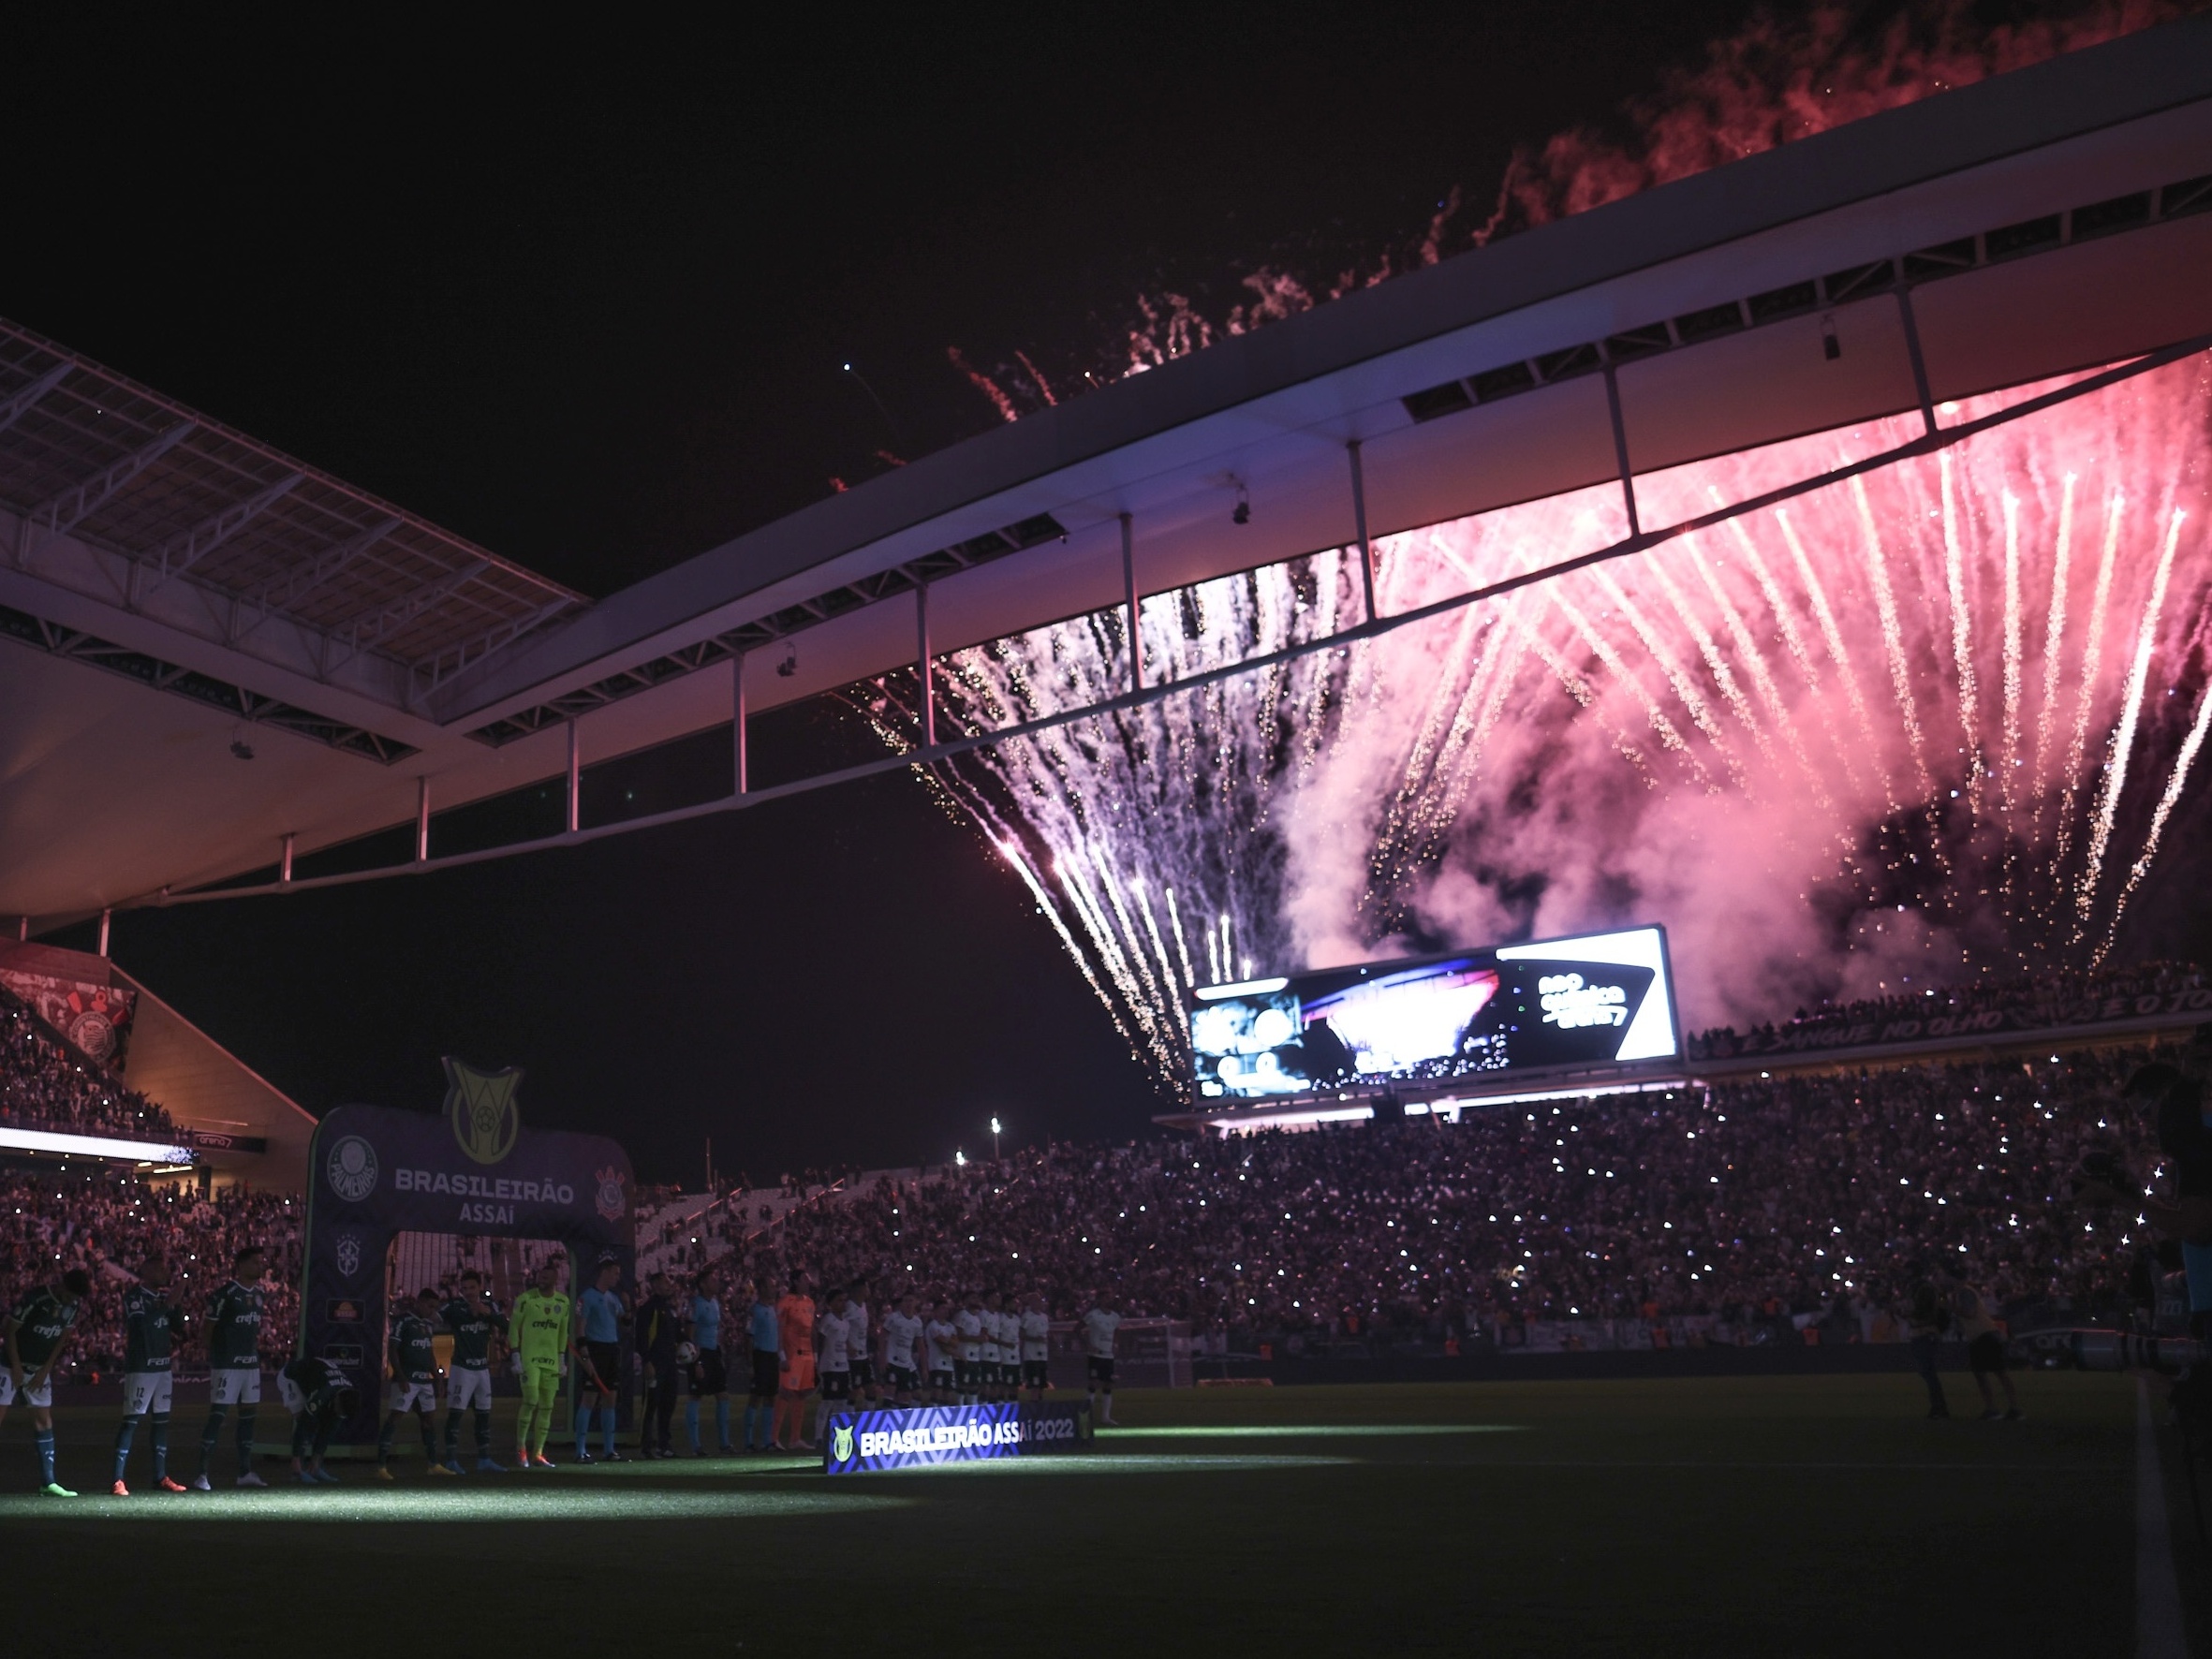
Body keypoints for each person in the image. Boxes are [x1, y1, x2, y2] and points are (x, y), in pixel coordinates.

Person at [1, 1267, 91, 1495]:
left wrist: (46, 1369)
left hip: (38, 1369)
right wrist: (17, 1365)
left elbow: (63, 1337)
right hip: (8, 1367)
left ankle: (48, 1482)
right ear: (62, 1285)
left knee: (44, 1420)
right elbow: (9, 1330)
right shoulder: (36, 1298)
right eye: (70, 1295)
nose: (71, 1301)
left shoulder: (73, 1305)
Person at [194, 1243, 271, 1490]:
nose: (261, 1266)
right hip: (227, 1365)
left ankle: (245, 1472)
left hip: (251, 1366)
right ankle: (202, 1474)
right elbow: (207, 1330)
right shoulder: (224, 1294)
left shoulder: (259, 1295)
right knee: (218, 1417)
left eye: (262, 1262)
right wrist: (216, 1358)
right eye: (256, 1262)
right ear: (241, 1265)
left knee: (248, 1419)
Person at [112, 1256, 186, 1495]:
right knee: (131, 1422)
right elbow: (140, 1325)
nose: (166, 1272)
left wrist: (177, 1306)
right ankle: (117, 1479)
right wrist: (167, 1305)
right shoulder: (135, 1297)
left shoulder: (162, 1299)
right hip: (141, 1367)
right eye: (161, 1267)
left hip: (163, 1368)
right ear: (146, 1270)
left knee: (161, 1423)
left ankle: (160, 1476)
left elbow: (179, 1330)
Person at [438, 1270, 505, 1473]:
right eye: (464, 1288)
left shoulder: (490, 1306)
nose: (468, 1292)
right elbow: (435, 1317)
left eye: (472, 1288)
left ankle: (484, 1459)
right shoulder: (454, 1306)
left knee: (483, 1414)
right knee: (456, 1415)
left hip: (482, 1369)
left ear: (480, 1287)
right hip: (462, 1369)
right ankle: (451, 1460)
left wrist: (488, 1314)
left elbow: (507, 1326)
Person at [377, 1288, 447, 1479]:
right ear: (419, 1302)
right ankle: (381, 1467)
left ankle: (433, 1464)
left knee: (429, 1420)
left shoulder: (427, 1325)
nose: (432, 1311)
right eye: (430, 1306)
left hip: (425, 1381)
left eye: (435, 1308)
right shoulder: (403, 1321)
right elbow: (393, 1350)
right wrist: (400, 1376)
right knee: (395, 1418)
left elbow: (429, 1353)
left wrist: (438, 1378)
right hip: (407, 1380)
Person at [509, 1258, 571, 1469]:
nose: (540, 1280)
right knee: (531, 1400)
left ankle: (538, 1454)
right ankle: (520, 1450)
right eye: (539, 1277)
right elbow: (513, 1328)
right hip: (529, 1358)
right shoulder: (525, 1300)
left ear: (555, 1279)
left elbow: (563, 1332)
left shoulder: (563, 1302)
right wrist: (515, 1355)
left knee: (548, 1406)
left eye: (545, 1277)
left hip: (551, 1360)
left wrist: (562, 1359)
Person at [575, 1255, 627, 1463]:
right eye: (615, 1273)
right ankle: (580, 1451)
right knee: (589, 1399)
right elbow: (579, 1326)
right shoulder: (586, 1297)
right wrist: (585, 1355)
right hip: (595, 1350)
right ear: (604, 1272)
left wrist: (628, 1307)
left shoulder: (614, 1298)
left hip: (612, 1349)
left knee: (610, 1399)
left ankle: (609, 1450)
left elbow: (626, 1322)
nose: (617, 1277)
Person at [1948, 1274, 2021, 1421]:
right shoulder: (1964, 1292)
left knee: (1986, 1374)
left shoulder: (1964, 1292)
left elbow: (1970, 1313)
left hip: (1982, 1335)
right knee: (1996, 1373)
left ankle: (1997, 1409)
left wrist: (1952, 1308)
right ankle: (2011, 1408)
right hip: (1984, 1334)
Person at [277, 1355, 357, 1486]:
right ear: (337, 1399)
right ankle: (297, 1470)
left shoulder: (344, 1393)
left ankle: (315, 1467)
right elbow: (304, 1423)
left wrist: (317, 1458)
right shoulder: (325, 1392)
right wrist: (295, 1457)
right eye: (339, 1409)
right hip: (290, 1378)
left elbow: (329, 1429)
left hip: (312, 1380)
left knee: (330, 1422)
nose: (339, 1414)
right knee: (308, 1423)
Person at [634, 1269, 682, 1460]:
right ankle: (646, 1446)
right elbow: (641, 1338)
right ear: (655, 1286)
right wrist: (647, 1362)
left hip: (670, 1363)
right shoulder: (649, 1308)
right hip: (656, 1363)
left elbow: (676, 1335)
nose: (669, 1284)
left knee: (668, 1404)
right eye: (665, 1281)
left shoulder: (670, 1308)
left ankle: (664, 1444)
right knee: (651, 1405)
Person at [686, 1264, 732, 1456]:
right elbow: (690, 1334)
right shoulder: (696, 1304)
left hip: (713, 1352)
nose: (717, 1282)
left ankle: (724, 1443)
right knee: (696, 1396)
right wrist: (695, 1362)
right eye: (712, 1279)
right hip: (701, 1353)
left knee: (722, 1396)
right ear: (703, 1285)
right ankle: (696, 1446)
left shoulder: (715, 1302)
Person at [774, 1272, 817, 1451]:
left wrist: (815, 1357)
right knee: (786, 1393)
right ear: (795, 1281)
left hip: (806, 1354)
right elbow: (780, 1330)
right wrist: (782, 1355)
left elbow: (812, 1330)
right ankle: (773, 1438)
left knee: (801, 1394)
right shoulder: (786, 1302)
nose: (808, 1282)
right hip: (792, 1355)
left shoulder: (810, 1303)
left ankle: (795, 1439)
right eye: (804, 1279)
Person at [1904, 1267, 1951, 1420]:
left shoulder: (1923, 1289)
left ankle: (1939, 1407)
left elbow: (1923, 1310)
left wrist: (1908, 1312)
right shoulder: (1923, 1288)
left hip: (1924, 1332)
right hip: (1924, 1332)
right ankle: (1938, 1407)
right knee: (1927, 1372)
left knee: (1928, 1372)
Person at [814, 1285, 854, 1446]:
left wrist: (849, 1349)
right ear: (831, 1303)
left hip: (843, 1366)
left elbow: (843, 1342)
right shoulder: (828, 1320)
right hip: (830, 1366)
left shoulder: (846, 1323)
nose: (843, 1304)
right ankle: (818, 1437)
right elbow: (820, 1340)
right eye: (839, 1301)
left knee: (841, 1402)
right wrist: (818, 1362)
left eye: (844, 1301)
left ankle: (835, 1434)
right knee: (828, 1401)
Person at [745, 1274, 780, 1453]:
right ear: (763, 1289)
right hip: (760, 1356)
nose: (774, 1289)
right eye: (771, 1285)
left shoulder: (773, 1309)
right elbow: (749, 1338)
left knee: (771, 1398)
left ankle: (768, 1441)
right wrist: (750, 1363)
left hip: (772, 1356)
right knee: (756, 1397)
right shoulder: (755, 1310)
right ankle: (748, 1441)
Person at [1082, 1291, 1121, 1426]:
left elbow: (1117, 1330)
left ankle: (1106, 1417)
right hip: (1095, 1355)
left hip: (1108, 1355)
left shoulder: (1115, 1317)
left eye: (1110, 1298)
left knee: (1108, 1384)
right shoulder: (1093, 1315)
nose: (1108, 1300)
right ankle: (1087, 1416)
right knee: (1093, 1383)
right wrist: (1088, 1344)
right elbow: (1077, 1329)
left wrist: (1116, 1343)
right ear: (1100, 1300)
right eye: (1106, 1298)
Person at [881, 1292, 923, 1407]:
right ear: (902, 1303)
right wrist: (883, 1358)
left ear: (916, 1302)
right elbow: (882, 1337)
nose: (908, 1303)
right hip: (892, 1360)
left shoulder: (917, 1322)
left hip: (907, 1363)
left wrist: (924, 1367)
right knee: (890, 1392)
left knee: (907, 1396)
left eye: (911, 1300)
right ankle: (885, 1420)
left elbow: (920, 1345)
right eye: (906, 1301)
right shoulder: (894, 1318)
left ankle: (908, 1421)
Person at [922, 1298, 957, 1405]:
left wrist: (946, 1340)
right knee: (936, 1392)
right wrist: (958, 1353)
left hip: (949, 1364)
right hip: (936, 1364)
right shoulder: (933, 1325)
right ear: (936, 1311)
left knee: (948, 1394)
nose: (946, 1311)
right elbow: (941, 1344)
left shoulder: (950, 1326)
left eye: (947, 1309)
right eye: (942, 1308)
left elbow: (956, 1343)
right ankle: (932, 1417)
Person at [844, 1285, 874, 1410]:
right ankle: (847, 1420)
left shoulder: (864, 1306)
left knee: (871, 1389)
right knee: (854, 1391)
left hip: (863, 1355)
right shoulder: (849, 1307)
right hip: (853, 1356)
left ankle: (870, 1419)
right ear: (860, 1290)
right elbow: (841, 1325)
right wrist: (848, 1345)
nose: (869, 1290)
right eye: (866, 1287)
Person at [1019, 1290, 1051, 1404]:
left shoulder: (1044, 1317)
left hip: (1043, 1354)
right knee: (1034, 1383)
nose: (1039, 1302)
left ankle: (1040, 1404)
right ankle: (1034, 1405)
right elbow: (1021, 1334)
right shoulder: (1027, 1316)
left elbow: (1046, 1333)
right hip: (1031, 1355)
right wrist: (1034, 1339)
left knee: (1042, 1383)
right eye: (1036, 1300)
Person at [953, 1292, 985, 1406]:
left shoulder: (977, 1317)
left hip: (975, 1356)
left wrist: (982, 1339)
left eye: (976, 1298)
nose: (975, 1300)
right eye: (972, 1298)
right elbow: (959, 1335)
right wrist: (976, 1338)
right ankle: (960, 1406)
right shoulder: (962, 1315)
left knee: (974, 1383)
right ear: (965, 1301)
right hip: (963, 1355)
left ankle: (973, 1406)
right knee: (963, 1382)